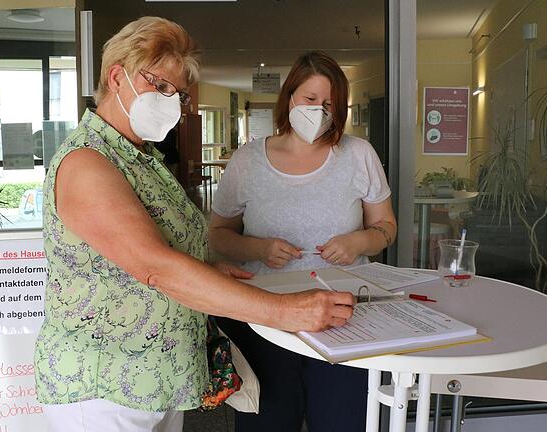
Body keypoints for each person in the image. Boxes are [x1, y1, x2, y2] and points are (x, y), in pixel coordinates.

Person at [32, 18, 356, 432]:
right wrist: (285, 311)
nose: (174, 102)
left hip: (156, 378)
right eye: (162, 87)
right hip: (104, 385)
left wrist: (210, 269)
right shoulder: (87, 162)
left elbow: (152, 253)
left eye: (179, 93)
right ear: (117, 77)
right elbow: (156, 267)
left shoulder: (139, 157)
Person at [209, 51, 397, 432]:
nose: (319, 111)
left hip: (344, 319)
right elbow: (216, 235)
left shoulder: (358, 154)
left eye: (329, 103)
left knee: (343, 422)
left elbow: (386, 227)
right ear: (290, 98)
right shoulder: (248, 160)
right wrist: (258, 249)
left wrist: (359, 241)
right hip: (265, 319)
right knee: (269, 423)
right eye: (310, 100)